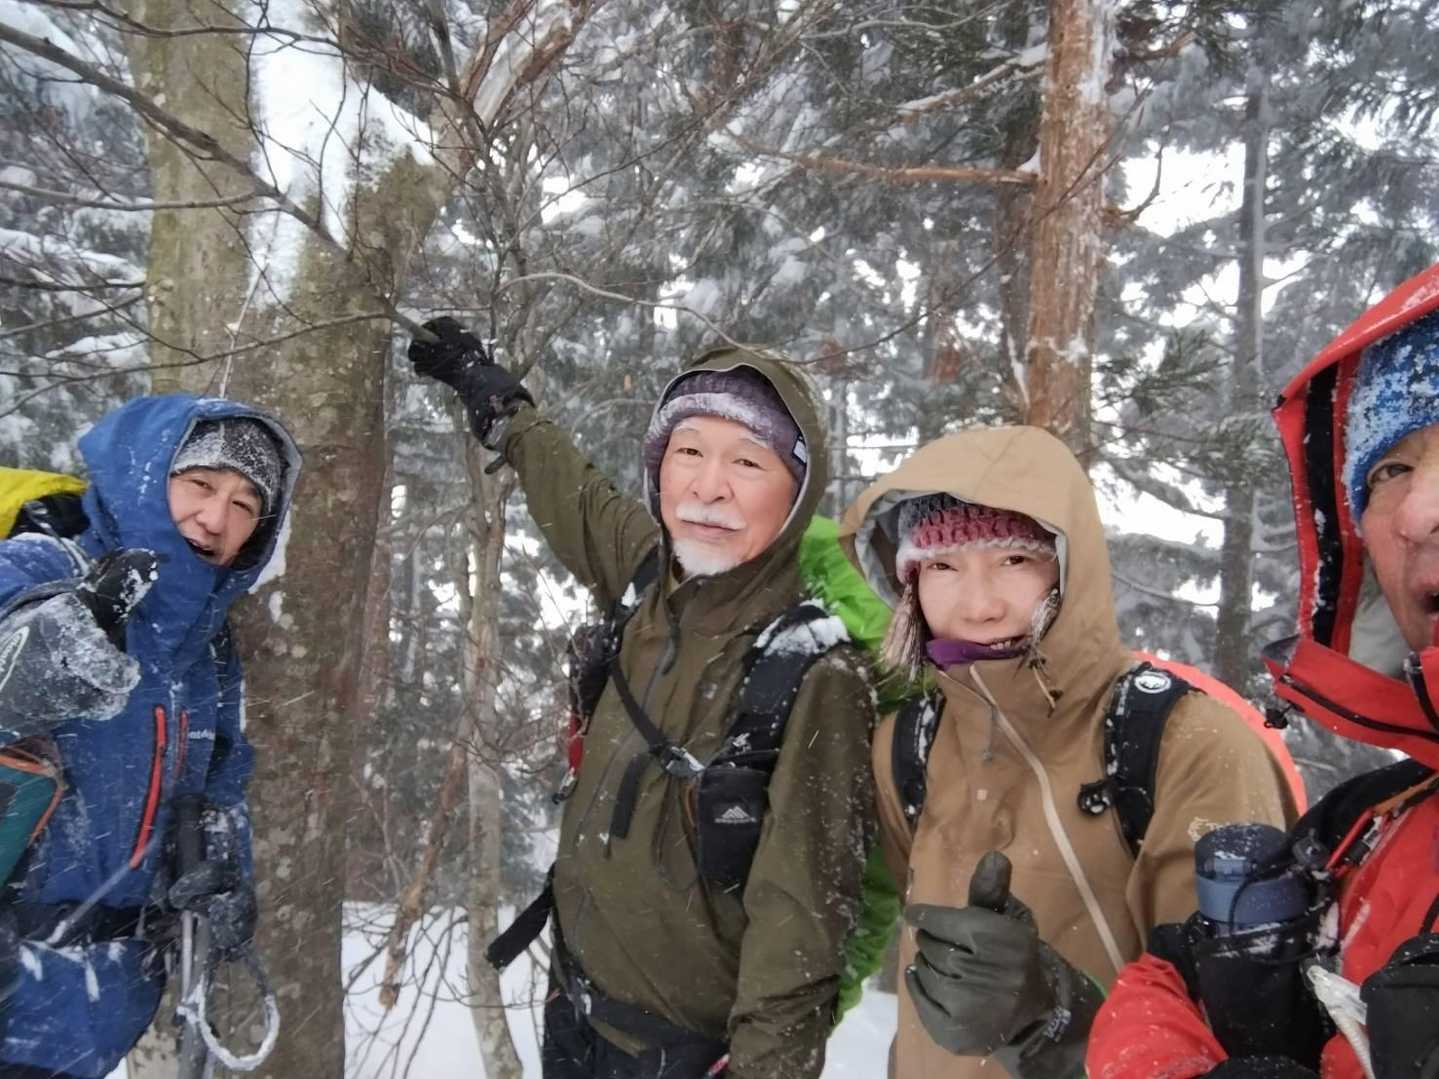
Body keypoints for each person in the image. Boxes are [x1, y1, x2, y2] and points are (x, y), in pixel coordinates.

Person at [408, 321, 874, 1079]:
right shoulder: (650, 579)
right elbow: (574, 492)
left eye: (747, 461)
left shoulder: (817, 675)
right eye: (688, 452)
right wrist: (496, 403)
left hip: (682, 1058)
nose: (708, 487)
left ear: (798, 494)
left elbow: (802, 930)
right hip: (573, 1010)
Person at [838, 425, 1299, 1077]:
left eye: (1013, 560)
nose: (978, 604)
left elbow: (1239, 1030)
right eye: (942, 566)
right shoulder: (905, 744)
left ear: (1066, 567)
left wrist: (1054, 1022)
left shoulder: (1183, 741)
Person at [1087, 263, 1439, 1079]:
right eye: (1389, 470)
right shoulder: (1364, 821)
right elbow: (1165, 986)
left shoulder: (1184, 729)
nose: (1419, 512)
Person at [0, 395, 298, 1079]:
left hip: (92, 1018)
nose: (216, 518)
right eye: (200, 484)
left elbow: (220, 780)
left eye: (245, 504)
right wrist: (48, 648)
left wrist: (221, 868)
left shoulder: (206, 648)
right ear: (146, 475)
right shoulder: (41, 564)